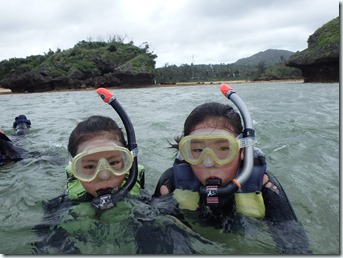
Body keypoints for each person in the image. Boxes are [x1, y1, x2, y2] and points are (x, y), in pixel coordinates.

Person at [32, 115, 223, 254]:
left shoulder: (148, 202)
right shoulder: (58, 209)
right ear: (76, 171)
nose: (104, 175)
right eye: (89, 166)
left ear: (127, 163)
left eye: (114, 163)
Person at [153, 101, 311, 254]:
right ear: (186, 153)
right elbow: (157, 231)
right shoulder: (171, 184)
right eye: (198, 150)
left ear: (242, 151)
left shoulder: (264, 185)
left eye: (223, 148)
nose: (209, 162)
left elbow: (294, 243)